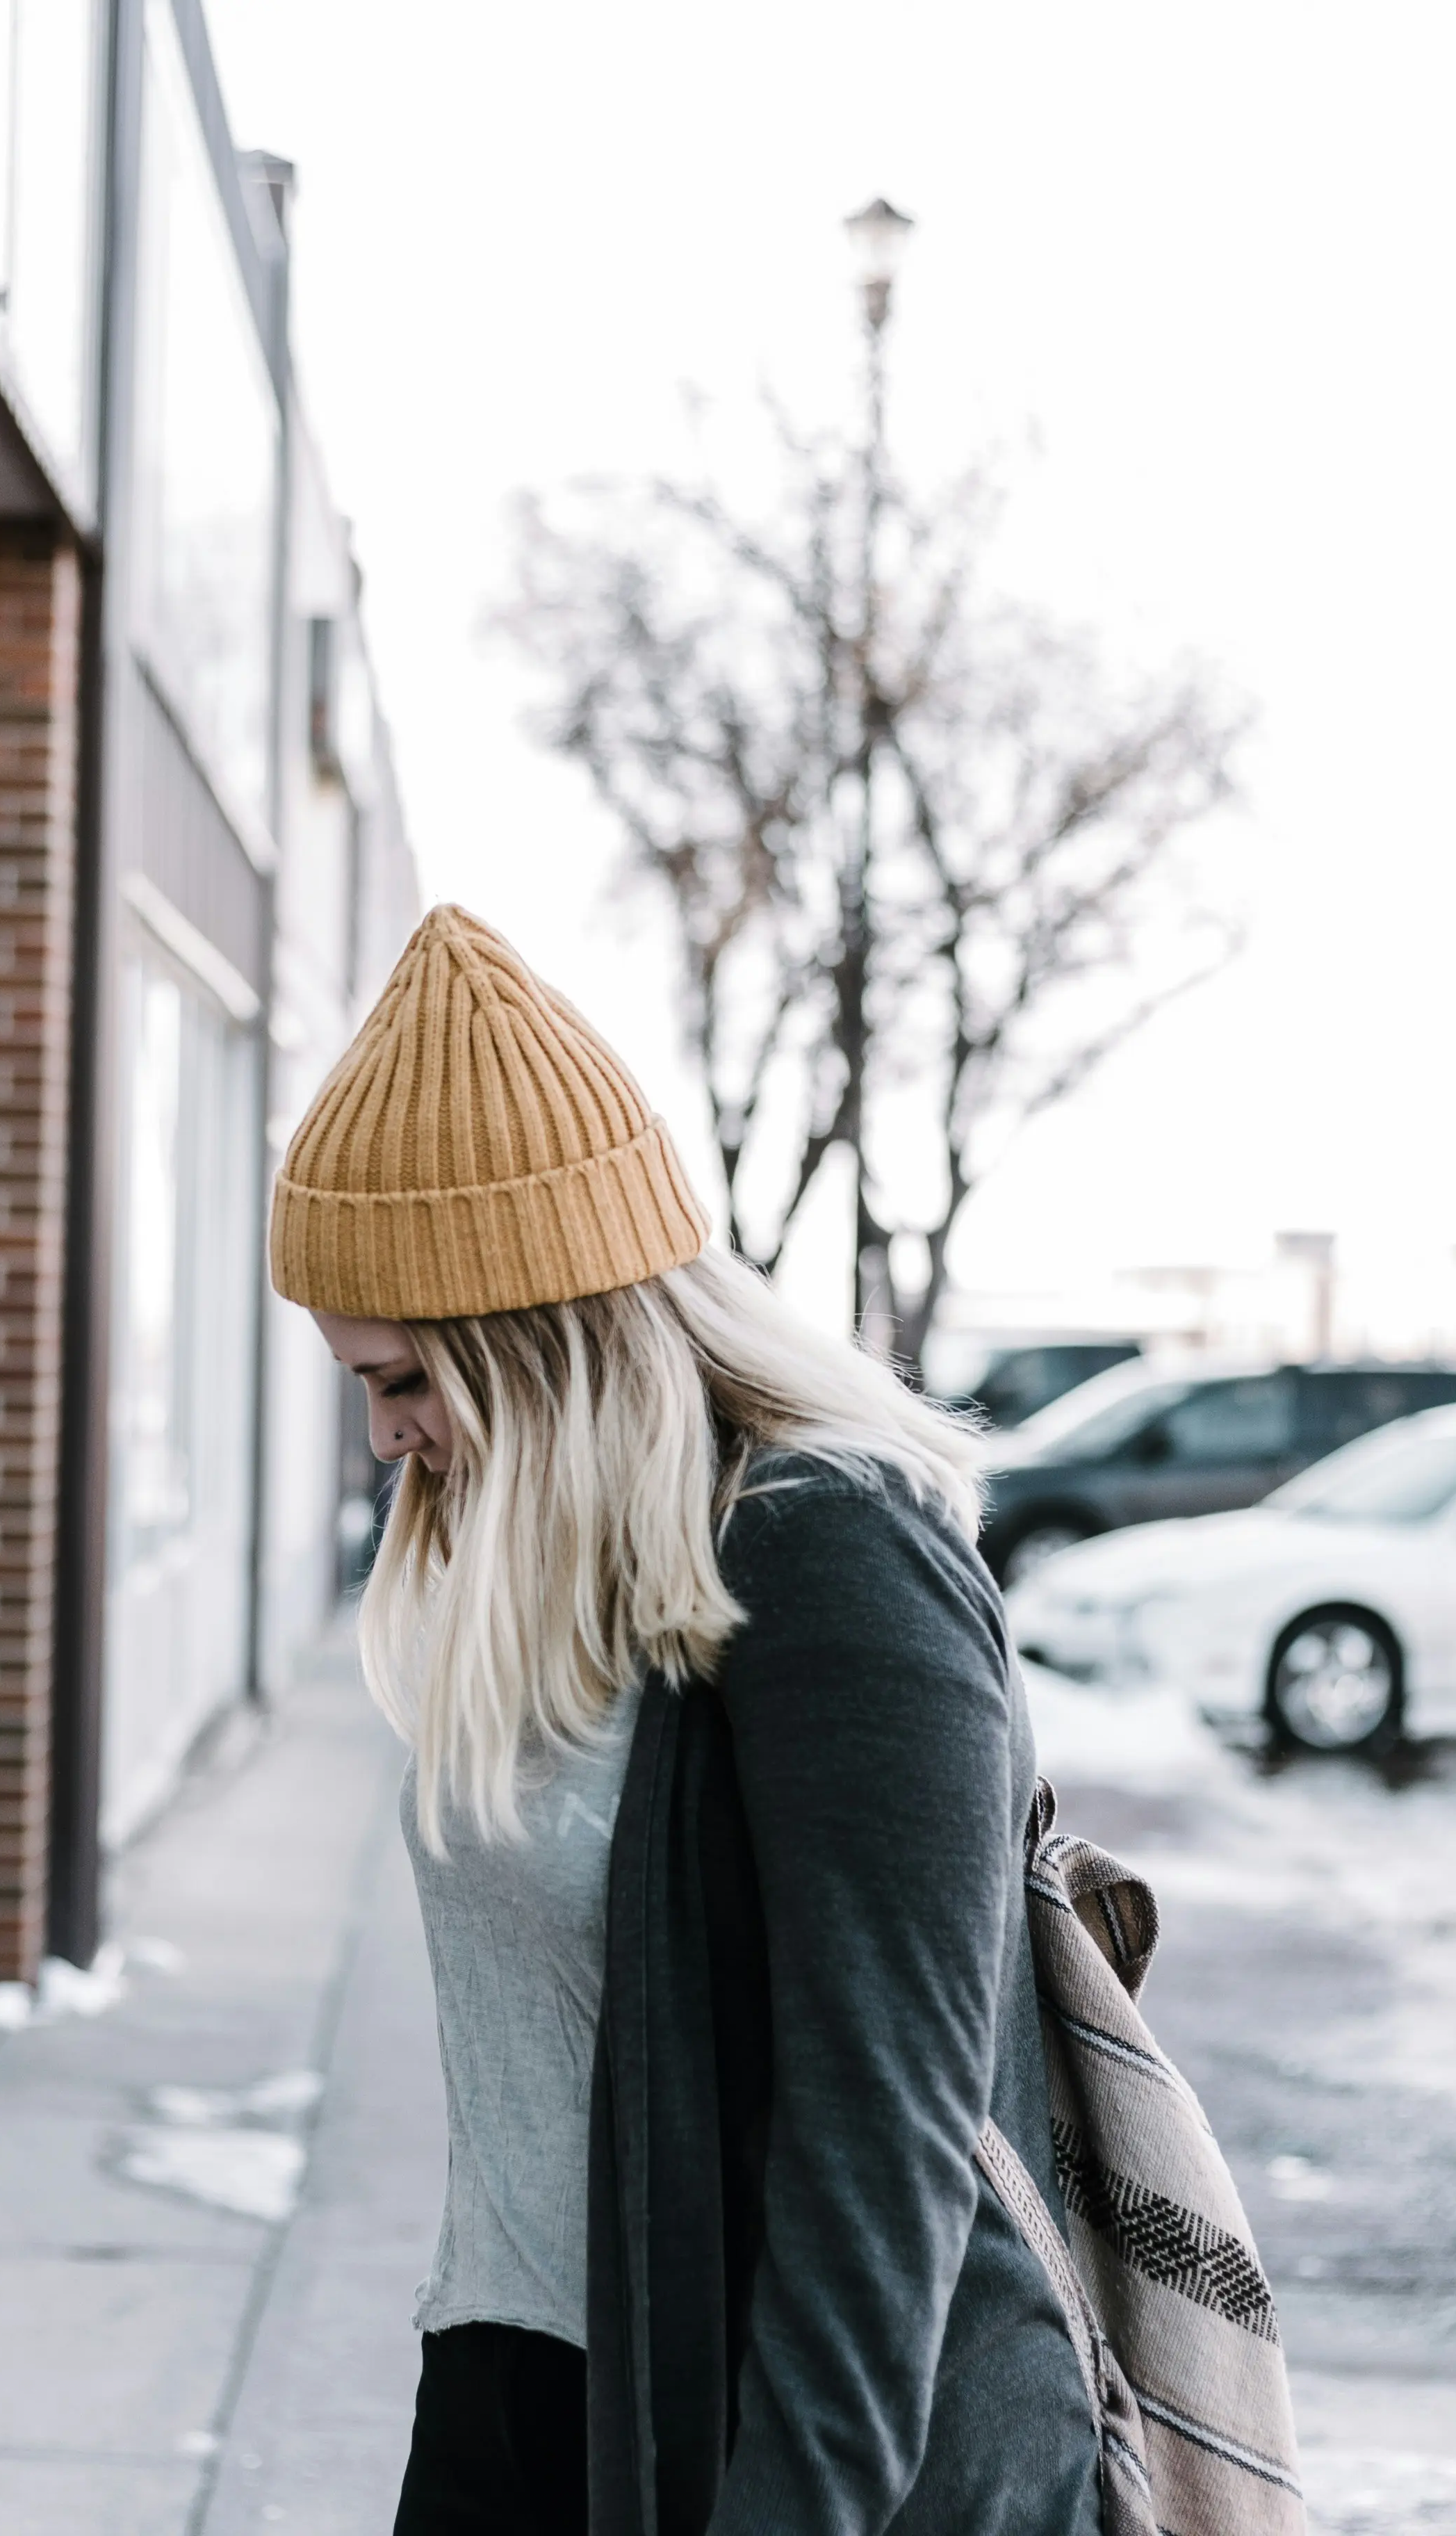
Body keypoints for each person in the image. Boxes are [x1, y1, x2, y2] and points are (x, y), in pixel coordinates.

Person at [268, 905, 1102, 2536]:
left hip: (772, 2451)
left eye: (405, 1381)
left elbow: (888, 2151)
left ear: (536, 1343)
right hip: (529, 2390)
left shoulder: (836, 1562)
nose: (385, 1440)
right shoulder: (589, 1567)